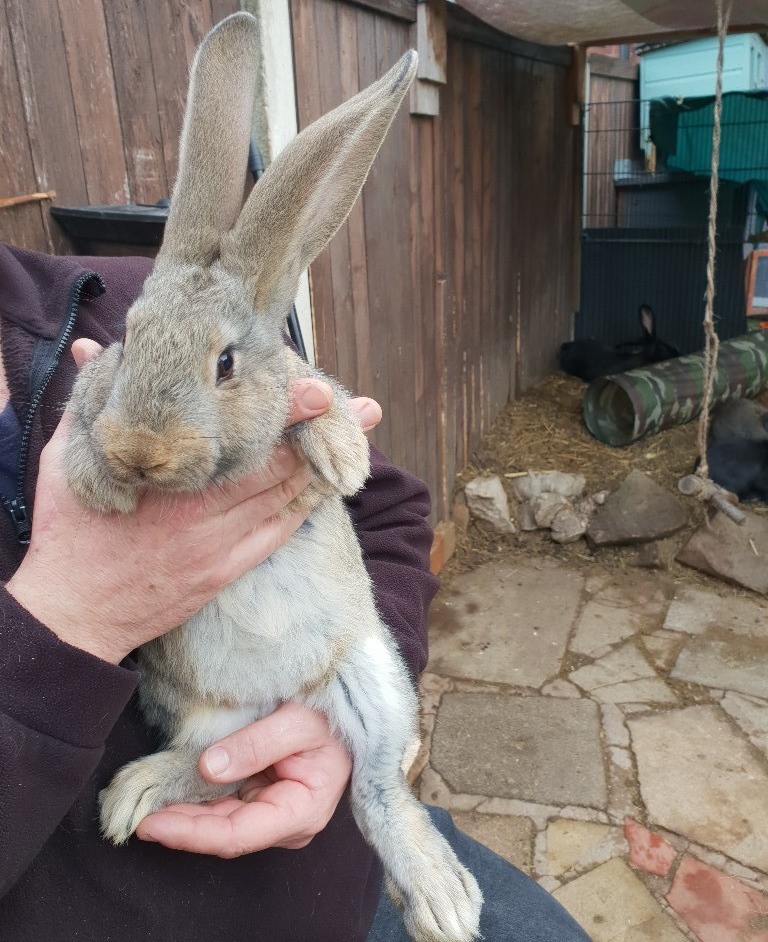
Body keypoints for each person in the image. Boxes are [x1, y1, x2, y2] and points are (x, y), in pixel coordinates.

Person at [0, 243, 590, 941]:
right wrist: (72, 615)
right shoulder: (111, 368)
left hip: (340, 876)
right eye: (124, 357)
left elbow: (386, 509)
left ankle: (387, 804)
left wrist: (338, 733)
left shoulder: (126, 295)